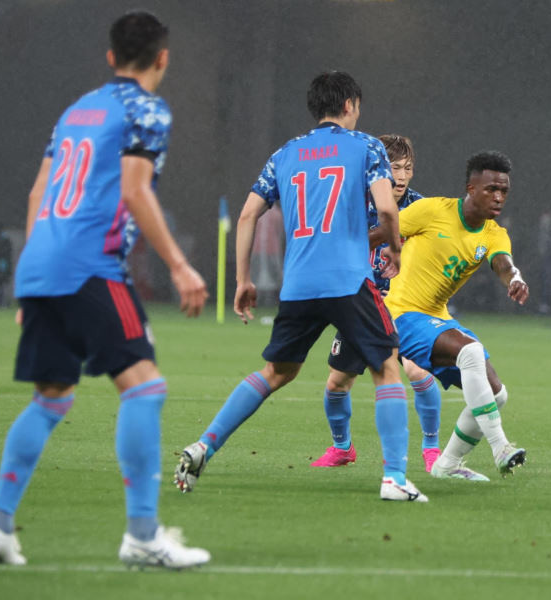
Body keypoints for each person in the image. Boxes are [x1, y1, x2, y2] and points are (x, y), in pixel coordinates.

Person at [0, 11, 211, 568]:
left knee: (52, 398)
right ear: (163, 57)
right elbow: (138, 191)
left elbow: (40, 191)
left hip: (43, 264)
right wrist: (182, 267)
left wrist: (30, 281)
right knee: (144, 387)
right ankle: (142, 537)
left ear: (111, 58)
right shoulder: (147, 109)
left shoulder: (77, 110)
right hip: (91, 263)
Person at [174, 71, 428, 502]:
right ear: (350, 105)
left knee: (277, 372)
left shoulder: (285, 154)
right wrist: (396, 247)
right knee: (387, 366)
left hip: (299, 284)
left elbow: (247, 216)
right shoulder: (367, 146)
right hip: (349, 279)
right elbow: (387, 208)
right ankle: (395, 478)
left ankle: (203, 446)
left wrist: (243, 280)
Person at [384, 151, 529, 482]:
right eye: (491, 188)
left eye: (504, 191)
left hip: (435, 318)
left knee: (497, 394)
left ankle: (446, 466)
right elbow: (382, 232)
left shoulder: (493, 233)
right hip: (402, 313)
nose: (498, 197)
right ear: (471, 188)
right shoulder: (432, 210)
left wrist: (516, 279)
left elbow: (503, 264)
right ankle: (501, 447)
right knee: (471, 351)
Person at [311, 134, 443, 472]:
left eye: (407, 168)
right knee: (337, 383)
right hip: (361, 306)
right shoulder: (354, 205)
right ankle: (342, 448)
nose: (401, 176)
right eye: (394, 167)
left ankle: (431, 449)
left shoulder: (421, 208)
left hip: (406, 306)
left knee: (417, 371)